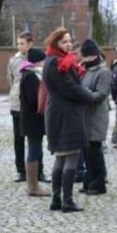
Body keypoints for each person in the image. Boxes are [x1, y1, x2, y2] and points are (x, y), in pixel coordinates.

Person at [42, 27, 106, 213]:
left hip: (59, 113)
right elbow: (71, 89)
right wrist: (91, 97)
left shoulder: (55, 60)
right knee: (70, 157)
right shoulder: (57, 63)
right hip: (66, 115)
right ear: (56, 44)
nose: (68, 44)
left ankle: (56, 199)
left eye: (70, 41)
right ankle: (67, 201)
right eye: (64, 42)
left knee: (61, 158)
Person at [80, 38, 112, 195]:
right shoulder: (84, 69)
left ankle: (98, 183)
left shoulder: (103, 72)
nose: (85, 59)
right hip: (84, 116)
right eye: (84, 56)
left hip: (96, 117)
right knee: (87, 152)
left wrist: (82, 93)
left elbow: (101, 94)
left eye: (88, 57)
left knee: (95, 151)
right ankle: (88, 181)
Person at [18, 47, 51, 197]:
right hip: (32, 121)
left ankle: (34, 182)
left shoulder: (29, 74)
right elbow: (33, 100)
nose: (45, 63)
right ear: (38, 62)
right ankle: (32, 186)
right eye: (43, 61)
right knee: (34, 151)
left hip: (32, 121)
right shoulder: (31, 77)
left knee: (35, 149)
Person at [8, 32, 34, 183]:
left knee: (34, 138)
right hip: (17, 104)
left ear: (30, 43)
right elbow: (11, 81)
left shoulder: (37, 59)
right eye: (18, 43)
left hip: (31, 104)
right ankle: (21, 170)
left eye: (22, 43)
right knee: (18, 138)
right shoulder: (14, 61)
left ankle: (38, 170)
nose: (19, 46)